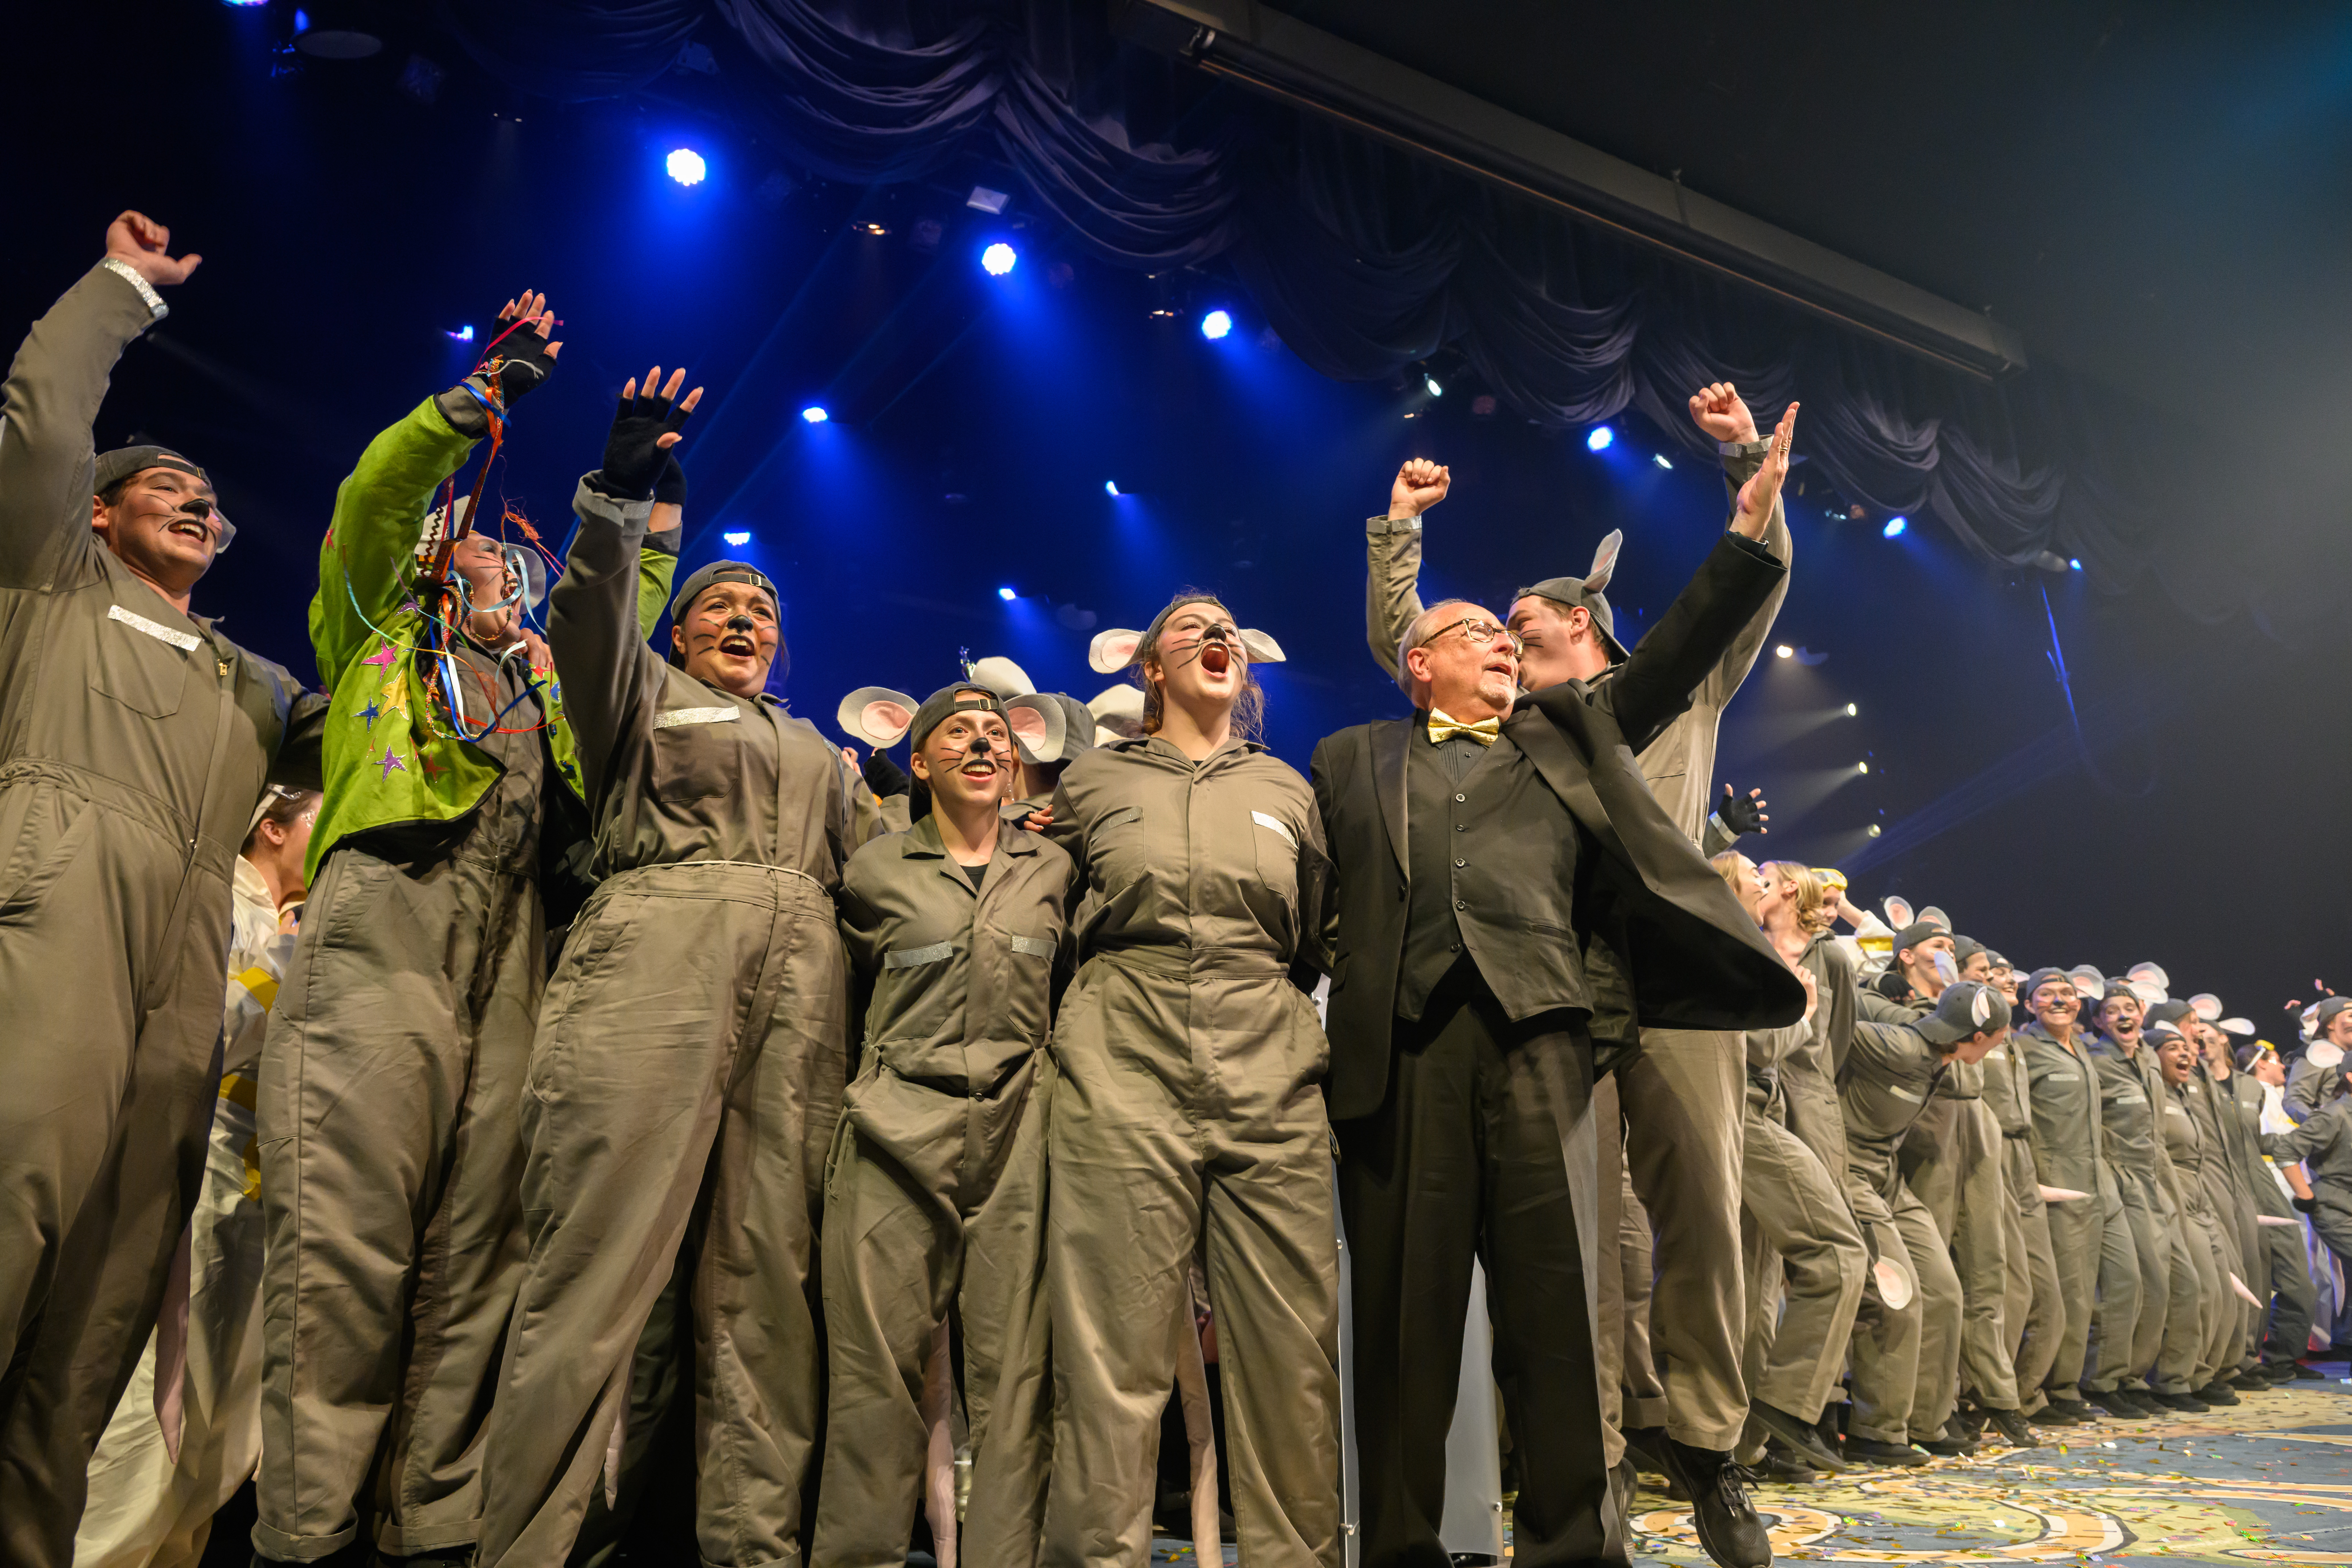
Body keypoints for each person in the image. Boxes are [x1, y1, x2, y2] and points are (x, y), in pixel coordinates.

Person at [1320, 415, 1804, 1568]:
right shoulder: (1355, 757)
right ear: (1424, 665)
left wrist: (1747, 520)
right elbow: (1301, 887)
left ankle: (1630, 1506)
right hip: (1429, 1048)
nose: (1500, 642)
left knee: (1609, 1270)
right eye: (1479, 632)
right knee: (1446, 1315)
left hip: (1581, 1020)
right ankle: (1411, 1542)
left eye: (1513, 629)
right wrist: (1400, 534)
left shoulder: (1570, 727)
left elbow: (1689, 644)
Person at [250, 297, 680, 1567]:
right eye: (476, 538)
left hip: (520, 943)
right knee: (346, 1246)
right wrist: (480, 392)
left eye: (511, 548)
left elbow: (629, 607)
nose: (493, 549)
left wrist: (642, 488)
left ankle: (428, 1532)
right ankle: (307, 1534)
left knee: (478, 1259)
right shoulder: (382, 629)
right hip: (390, 915)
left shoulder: (548, 684)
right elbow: (380, 493)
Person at [0, 211, 326, 1560]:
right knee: (13, 1203)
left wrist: (457, 604)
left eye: (211, 496)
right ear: (99, 510)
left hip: (189, 950)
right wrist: (123, 288)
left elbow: (378, 741)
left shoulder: (254, 685)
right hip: (60, 889)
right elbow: (38, 417)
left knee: (108, 1294)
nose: (199, 502)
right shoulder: (49, 582)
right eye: (165, 486)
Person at [963, 592, 1339, 1566]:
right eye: (1191, 631)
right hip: (1119, 1063)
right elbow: (1031, 905)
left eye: (1228, 631)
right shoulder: (1090, 782)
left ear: (1243, 670)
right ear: (1150, 669)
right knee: (1111, 1353)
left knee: (1288, 1353)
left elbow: (1316, 934)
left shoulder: (1290, 788)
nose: (1216, 639)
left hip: (1268, 1069)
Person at [811, 684, 1075, 1567]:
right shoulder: (872, 872)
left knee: (1017, 1384)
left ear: (1015, 763)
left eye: (996, 735)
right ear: (919, 762)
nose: (981, 745)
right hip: (893, 1135)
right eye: (956, 734)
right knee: (871, 1382)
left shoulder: (1053, 872)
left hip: (1018, 1142)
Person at [75, 787, 315, 1568]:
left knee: (219, 1440)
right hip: (193, 1195)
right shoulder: (221, 907)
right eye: (323, 818)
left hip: (261, 1207)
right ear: (273, 828)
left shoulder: (293, 927)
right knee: (153, 1420)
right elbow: (209, 1032)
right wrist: (291, 959)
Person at [1714, 856, 1866, 1479]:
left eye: (1772, 878)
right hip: (1745, 1115)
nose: (1767, 881)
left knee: (1754, 1294)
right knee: (1836, 1255)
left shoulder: (1812, 956)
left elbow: (1834, 1052)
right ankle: (1782, 1411)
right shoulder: (1731, 946)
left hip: (1777, 1114)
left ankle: (1744, 1444)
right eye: (1760, 875)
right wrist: (1799, 1014)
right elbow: (1750, 1044)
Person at [1837, 978, 2012, 1468]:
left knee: (1944, 1291)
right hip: (1850, 1172)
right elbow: (1833, 1025)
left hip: (1890, 1179)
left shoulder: (1947, 1058)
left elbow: (1971, 1084)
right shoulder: (1899, 1044)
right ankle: (1876, 1430)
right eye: (2000, 1037)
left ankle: (1926, 1423)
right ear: (1981, 1037)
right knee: (1901, 1297)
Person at [2014, 968, 2110, 1424]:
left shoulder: (2082, 1049)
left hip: (2092, 1182)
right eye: (2046, 995)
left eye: (2067, 994)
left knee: (2084, 1292)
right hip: (2053, 1181)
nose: (2058, 1001)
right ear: (2029, 1005)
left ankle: (2067, 1385)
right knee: (2060, 1294)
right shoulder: (2024, 1049)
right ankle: (2041, 1388)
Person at [2079, 986, 2171, 1418]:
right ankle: (2103, 1379)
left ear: (2142, 1014)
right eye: (2110, 1011)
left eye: (2128, 1009)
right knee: (2125, 1282)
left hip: (2152, 1181)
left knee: (2157, 1283)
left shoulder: (2148, 1061)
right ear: (2098, 1022)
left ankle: (2132, 1377)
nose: (2121, 1016)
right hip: (2118, 1178)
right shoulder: (2096, 1063)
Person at [2152, 1024, 2252, 1407]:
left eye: (2188, 1048)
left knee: (2228, 1286)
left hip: (2200, 1193)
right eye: (2174, 1048)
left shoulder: (2186, 1095)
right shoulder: (2154, 1094)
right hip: (2173, 1192)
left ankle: (2206, 1370)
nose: (2186, 1054)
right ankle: (2175, 1378)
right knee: (2198, 1288)